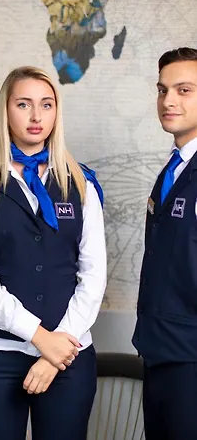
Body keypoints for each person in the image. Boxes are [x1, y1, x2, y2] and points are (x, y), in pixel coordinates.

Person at [0, 66, 107, 440]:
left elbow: (93, 275)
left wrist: (58, 348)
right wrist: (40, 337)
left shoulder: (82, 182)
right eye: (23, 104)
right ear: (5, 111)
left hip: (69, 355)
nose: (36, 116)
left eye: (46, 104)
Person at [132, 47, 197, 440]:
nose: (169, 100)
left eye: (184, 90)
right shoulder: (172, 169)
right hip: (159, 350)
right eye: (162, 90)